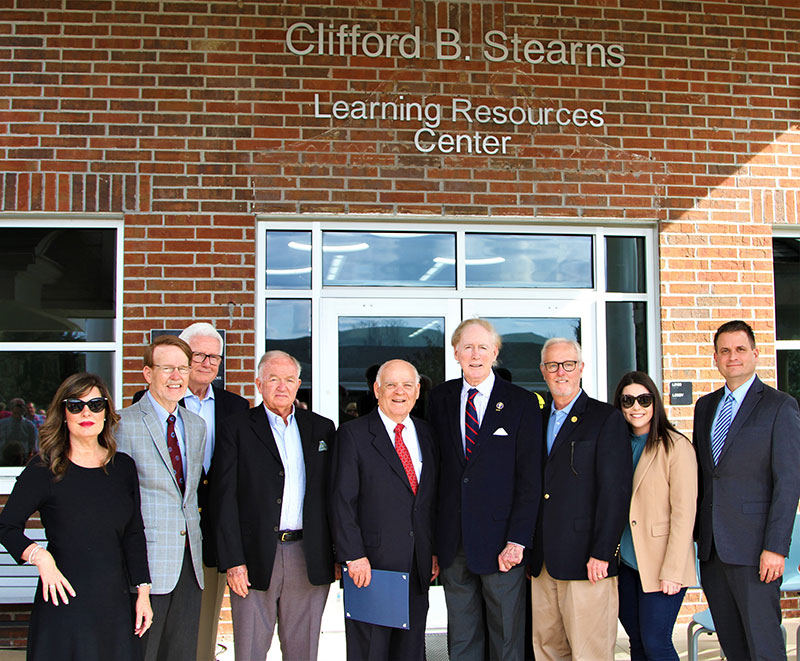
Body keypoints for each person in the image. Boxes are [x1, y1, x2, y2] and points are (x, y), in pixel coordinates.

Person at [0, 373, 153, 660]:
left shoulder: (123, 468)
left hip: (115, 603)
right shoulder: (44, 469)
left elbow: (134, 533)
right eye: (75, 405)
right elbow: (6, 526)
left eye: (96, 404)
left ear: (107, 412)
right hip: (63, 600)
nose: (86, 412)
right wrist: (40, 557)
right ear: (63, 413)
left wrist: (143, 593)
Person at [132, 323, 248, 661]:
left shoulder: (231, 408)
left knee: (195, 635)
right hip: (156, 541)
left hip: (207, 535)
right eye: (198, 355)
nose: (206, 363)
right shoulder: (139, 409)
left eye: (214, 356)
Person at [428, 318, 542, 661]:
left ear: (495, 352)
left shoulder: (522, 402)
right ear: (455, 352)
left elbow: (530, 478)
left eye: (482, 347)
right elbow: (436, 473)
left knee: (506, 636)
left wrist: (518, 540)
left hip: (502, 543)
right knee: (462, 637)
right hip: (454, 541)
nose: (474, 354)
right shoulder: (439, 399)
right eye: (467, 347)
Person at [212, 350, 336, 661]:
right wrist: (233, 561)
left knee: (303, 652)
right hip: (254, 557)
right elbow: (223, 498)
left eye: (289, 379)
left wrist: (336, 554)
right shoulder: (236, 428)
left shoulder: (321, 428)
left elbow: (333, 496)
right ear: (258, 383)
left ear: (299, 384)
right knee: (251, 650)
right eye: (273, 379)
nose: (282, 386)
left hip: (307, 555)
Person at [694, 320, 800, 660]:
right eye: (724, 351)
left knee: (765, 648)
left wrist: (776, 547)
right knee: (733, 648)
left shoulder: (779, 406)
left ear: (755, 354)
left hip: (756, 552)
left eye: (740, 349)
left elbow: (788, 482)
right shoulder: (705, 407)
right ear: (715, 358)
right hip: (712, 552)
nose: (732, 357)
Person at [529, 337, 632, 661]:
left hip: (588, 562)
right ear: (543, 371)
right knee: (547, 649)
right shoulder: (535, 419)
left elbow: (615, 493)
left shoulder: (606, 419)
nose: (561, 372)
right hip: (543, 562)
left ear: (581, 369)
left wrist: (602, 552)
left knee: (590, 652)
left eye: (568, 364)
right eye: (553, 365)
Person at [331, 359, 438, 660]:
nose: (399, 392)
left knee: (411, 651)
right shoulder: (354, 435)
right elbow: (342, 501)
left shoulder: (427, 434)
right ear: (377, 390)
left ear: (417, 391)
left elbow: (429, 500)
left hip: (417, 567)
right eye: (391, 384)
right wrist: (353, 556)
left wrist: (432, 551)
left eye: (407, 385)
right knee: (371, 653)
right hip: (371, 567)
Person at [117, 335, 207, 661]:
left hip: (189, 562)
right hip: (146, 564)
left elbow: (189, 494)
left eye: (183, 368)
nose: (176, 376)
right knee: (143, 653)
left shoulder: (196, 426)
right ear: (147, 373)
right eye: (167, 368)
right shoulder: (122, 424)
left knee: (181, 653)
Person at [612, 371, 697, 661]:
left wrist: (673, 570)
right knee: (636, 640)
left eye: (644, 399)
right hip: (625, 563)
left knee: (656, 642)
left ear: (655, 402)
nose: (636, 407)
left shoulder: (675, 446)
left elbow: (684, 514)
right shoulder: (616, 447)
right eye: (628, 400)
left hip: (662, 564)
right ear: (620, 405)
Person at [0, 398, 37, 466]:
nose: (22, 408)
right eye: (19, 405)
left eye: (23, 406)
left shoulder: (29, 425)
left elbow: (32, 443)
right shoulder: (2, 424)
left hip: (23, 459)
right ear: (12, 407)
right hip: (4, 459)